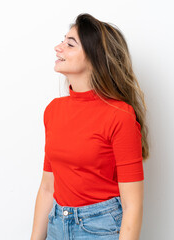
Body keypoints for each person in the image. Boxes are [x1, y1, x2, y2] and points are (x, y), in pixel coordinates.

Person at [30, 13, 150, 240]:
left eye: (70, 44)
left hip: (100, 229)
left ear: (94, 57)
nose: (58, 47)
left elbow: (132, 205)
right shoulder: (53, 110)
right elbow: (47, 187)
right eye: (62, 40)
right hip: (56, 224)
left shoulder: (120, 116)